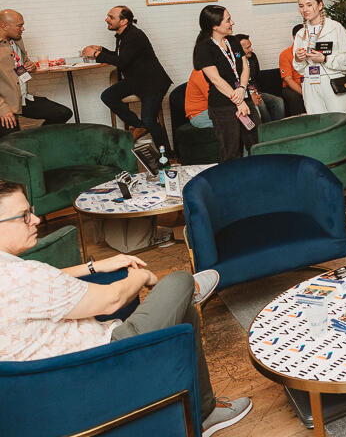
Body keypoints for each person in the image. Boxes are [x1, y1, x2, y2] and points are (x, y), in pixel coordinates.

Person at [0, 180, 251, 436]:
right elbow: (112, 300)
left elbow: (43, 282)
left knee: (183, 311)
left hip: (53, 388)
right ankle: (190, 289)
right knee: (179, 280)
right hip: (108, 361)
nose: (36, 220)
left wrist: (94, 266)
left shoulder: (12, 274)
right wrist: (142, 277)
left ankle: (205, 412)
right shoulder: (25, 276)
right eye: (24, 215)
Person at [293, 0, 346, 199]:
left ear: (320, 5)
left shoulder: (335, 28)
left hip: (333, 85)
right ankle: (330, 182)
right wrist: (299, 58)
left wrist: (325, 59)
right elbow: (297, 67)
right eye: (301, 6)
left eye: (309, 4)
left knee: (344, 133)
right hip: (311, 86)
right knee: (319, 135)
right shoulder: (301, 34)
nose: (305, 9)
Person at [81, 6, 172, 154]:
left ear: (124, 21)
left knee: (149, 120)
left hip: (152, 83)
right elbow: (123, 57)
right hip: (136, 81)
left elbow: (122, 62)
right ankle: (139, 126)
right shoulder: (123, 35)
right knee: (108, 96)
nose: (107, 19)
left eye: (111, 17)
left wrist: (96, 54)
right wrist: (102, 50)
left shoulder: (134, 36)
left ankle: (169, 156)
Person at [192, 5, 258, 161]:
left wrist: (242, 88)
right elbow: (216, 79)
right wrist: (238, 100)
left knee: (256, 143)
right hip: (223, 105)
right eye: (228, 20)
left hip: (243, 97)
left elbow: (245, 67)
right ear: (214, 26)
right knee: (231, 150)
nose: (232, 23)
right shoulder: (203, 48)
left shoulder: (233, 41)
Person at [0, 10, 72, 138]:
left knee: (62, 113)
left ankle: (37, 141)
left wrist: (31, 65)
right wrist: (2, 108)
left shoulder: (17, 40)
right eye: (19, 25)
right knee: (13, 143)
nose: (23, 29)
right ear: (4, 26)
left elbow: (20, 63)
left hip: (22, 98)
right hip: (4, 104)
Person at [235, 34, 284, 123]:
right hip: (243, 95)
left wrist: (255, 93)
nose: (251, 49)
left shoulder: (252, 57)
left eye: (250, 46)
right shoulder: (234, 63)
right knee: (261, 105)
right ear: (238, 50)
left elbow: (256, 77)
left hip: (255, 91)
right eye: (247, 48)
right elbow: (236, 84)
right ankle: (267, 129)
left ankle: (279, 127)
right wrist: (250, 95)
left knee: (278, 101)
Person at [279, 23, 306, 117]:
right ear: (295, 38)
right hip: (294, 87)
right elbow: (288, 80)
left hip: (311, 84)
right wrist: (304, 93)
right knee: (295, 97)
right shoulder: (285, 54)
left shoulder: (312, 51)